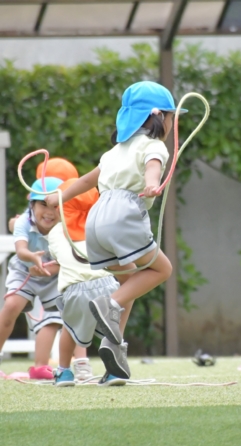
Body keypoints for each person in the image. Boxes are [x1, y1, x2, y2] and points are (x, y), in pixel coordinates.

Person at [46, 81, 177, 375]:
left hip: (98, 218)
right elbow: (153, 165)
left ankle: (113, 350)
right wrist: (152, 183)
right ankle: (109, 304)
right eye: (170, 116)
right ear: (158, 117)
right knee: (161, 270)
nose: (172, 123)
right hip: (124, 214)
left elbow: (83, 182)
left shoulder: (114, 152)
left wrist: (58, 197)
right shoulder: (153, 146)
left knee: (128, 280)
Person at [48, 179, 126, 387]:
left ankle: (64, 372)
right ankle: (114, 371)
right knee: (112, 330)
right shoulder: (101, 227)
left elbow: (60, 257)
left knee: (69, 329)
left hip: (75, 290)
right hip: (108, 284)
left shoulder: (55, 232)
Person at [0, 177, 64, 379]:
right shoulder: (23, 221)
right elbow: (21, 251)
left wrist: (49, 269)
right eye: (43, 204)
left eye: (56, 206)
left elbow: (66, 260)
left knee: (53, 318)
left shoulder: (67, 227)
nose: (49, 211)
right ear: (32, 205)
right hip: (24, 269)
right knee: (11, 306)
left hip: (53, 275)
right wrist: (33, 259)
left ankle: (40, 367)